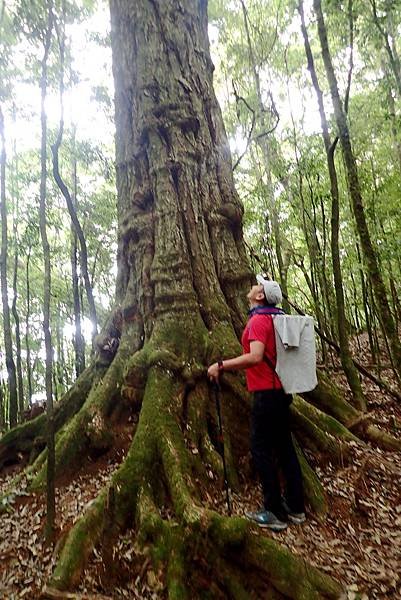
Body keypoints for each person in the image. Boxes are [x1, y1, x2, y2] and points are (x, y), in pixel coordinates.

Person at [207, 275, 305, 532]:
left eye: (258, 285)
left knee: (260, 449)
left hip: (266, 394)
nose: (253, 285)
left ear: (260, 296)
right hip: (281, 392)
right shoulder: (276, 318)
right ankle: (296, 507)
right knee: (285, 448)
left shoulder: (260, 321)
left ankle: (274, 511)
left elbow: (255, 356)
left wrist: (221, 366)